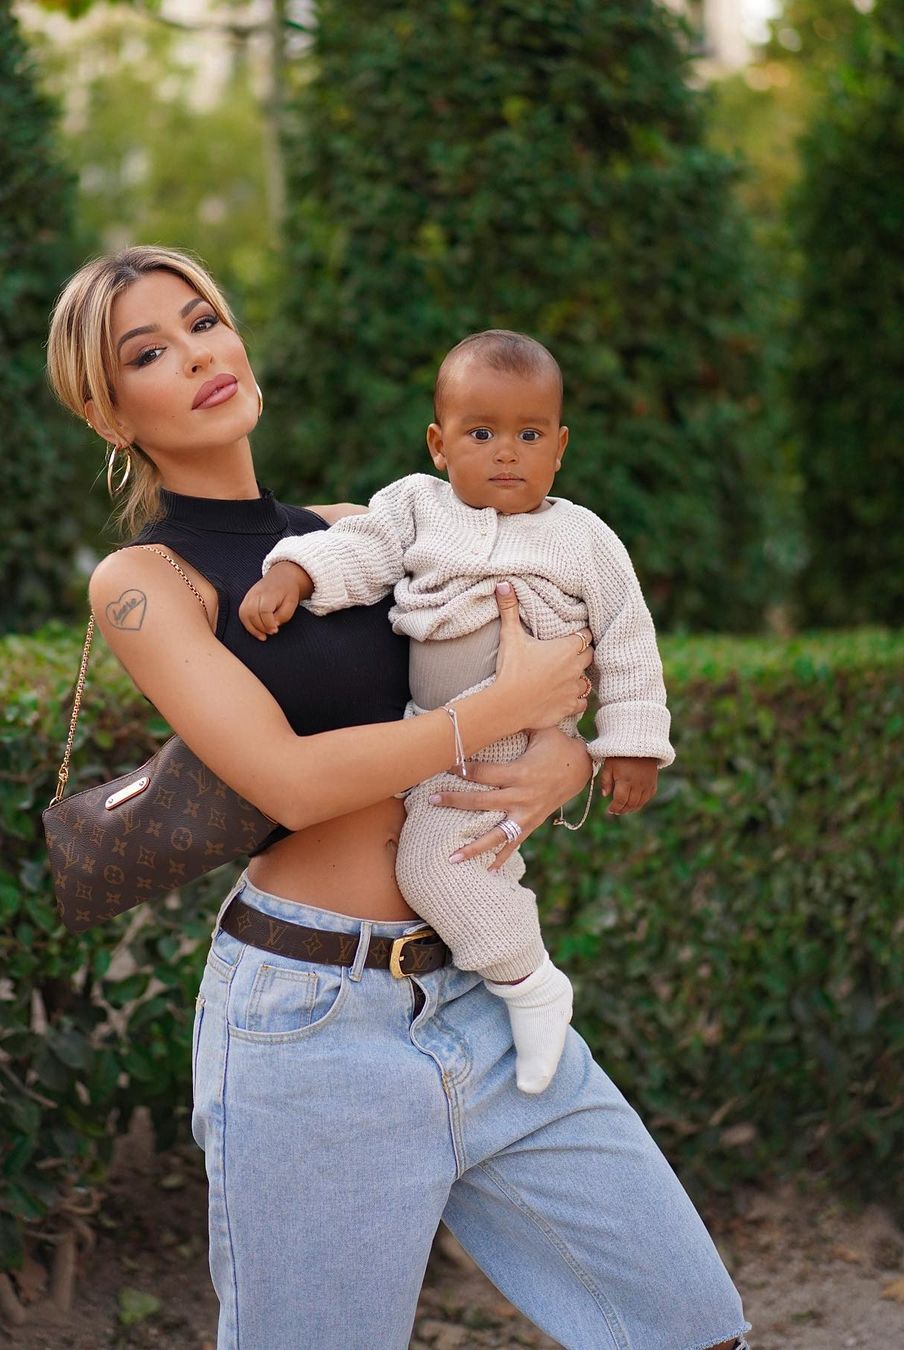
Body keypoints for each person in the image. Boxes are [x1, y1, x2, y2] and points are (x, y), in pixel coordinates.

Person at [46, 245, 751, 1350]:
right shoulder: (143, 582)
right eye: (149, 352)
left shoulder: (365, 526)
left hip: (477, 985)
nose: (198, 355)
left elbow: (527, 671)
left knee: (694, 1326)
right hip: (310, 1021)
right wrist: (496, 709)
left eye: (204, 322)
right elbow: (286, 779)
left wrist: (567, 758)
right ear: (107, 411)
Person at [239, 330, 674, 1096]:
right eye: (481, 434)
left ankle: (529, 984)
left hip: (512, 752)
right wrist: (296, 574)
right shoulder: (416, 507)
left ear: (560, 448)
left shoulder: (583, 538)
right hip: (427, 738)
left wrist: (632, 742)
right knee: (438, 861)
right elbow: (362, 547)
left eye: (529, 435)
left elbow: (627, 637)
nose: (506, 452)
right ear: (439, 445)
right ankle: (488, 969)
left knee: (433, 866)